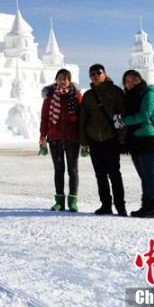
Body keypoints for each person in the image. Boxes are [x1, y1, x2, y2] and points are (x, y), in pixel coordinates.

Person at [79, 64, 127, 216]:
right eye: (92, 74)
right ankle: (106, 204)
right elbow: (83, 119)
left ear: (105, 74)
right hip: (94, 139)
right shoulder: (88, 96)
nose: (95, 75)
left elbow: (122, 114)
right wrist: (83, 140)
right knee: (100, 174)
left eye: (98, 73)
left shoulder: (115, 91)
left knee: (114, 174)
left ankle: (120, 206)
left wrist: (122, 137)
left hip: (111, 138)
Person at [114, 70, 154, 218]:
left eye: (133, 79)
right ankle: (145, 207)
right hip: (134, 140)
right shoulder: (129, 96)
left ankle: (151, 209)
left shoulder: (148, 93)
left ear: (139, 79)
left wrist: (123, 121)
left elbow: (145, 114)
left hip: (147, 138)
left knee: (150, 175)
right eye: (126, 81)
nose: (130, 83)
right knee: (143, 176)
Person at [39, 69, 83, 212]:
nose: (62, 81)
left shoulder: (76, 95)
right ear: (56, 80)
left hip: (72, 137)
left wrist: (84, 139)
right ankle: (59, 201)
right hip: (55, 137)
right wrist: (42, 136)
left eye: (65, 78)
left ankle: (72, 201)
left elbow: (82, 117)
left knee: (73, 170)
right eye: (59, 78)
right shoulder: (50, 96)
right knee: (59, 170)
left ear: (70, 80)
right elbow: (45, 117)